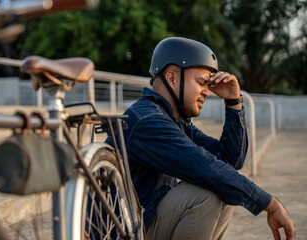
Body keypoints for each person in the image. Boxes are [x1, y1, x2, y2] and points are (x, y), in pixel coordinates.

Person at [107, 37, 295, 240]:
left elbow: (229, 162)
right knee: (206, 194)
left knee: (225, 188)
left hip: (143, 224)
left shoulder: (175, 121)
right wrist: (270, 204)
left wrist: (233, 102)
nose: (207, 92)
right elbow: (205, 168)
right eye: (201, 83)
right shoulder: (148, 120)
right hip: (122, 232)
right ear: (172, 78)